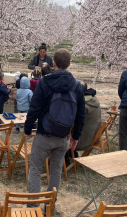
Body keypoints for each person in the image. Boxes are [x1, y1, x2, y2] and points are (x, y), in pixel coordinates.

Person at [24, 48, 85, 206]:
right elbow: (80, 115)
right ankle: (50, 206)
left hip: (44, 134)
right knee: (56, 171)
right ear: (69, 64)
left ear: (54, 63)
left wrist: (28, 128)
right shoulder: (77, 86)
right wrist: (76, 136)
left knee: (36, 170)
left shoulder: (44, 82)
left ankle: (33, 207)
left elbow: (34, 108)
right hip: (63, 137)